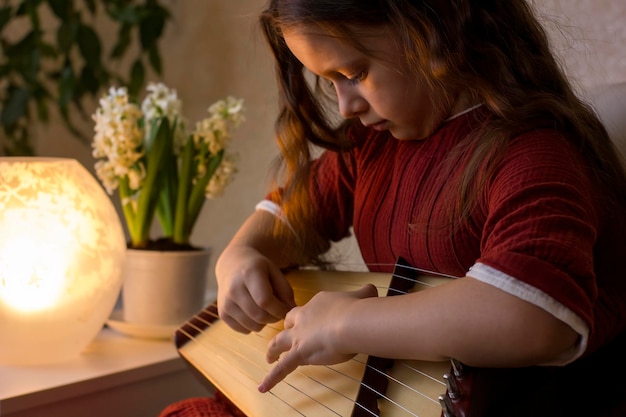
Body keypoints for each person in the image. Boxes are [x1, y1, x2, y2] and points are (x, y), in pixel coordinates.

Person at [160, 1, 626, 416]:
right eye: (329, 82)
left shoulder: (534, 153)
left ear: (436, 28)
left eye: (354, 73)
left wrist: (348, 324)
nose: (344, 106)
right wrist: (240, 256)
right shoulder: (373, 148)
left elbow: (533, 318)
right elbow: (290, 213)